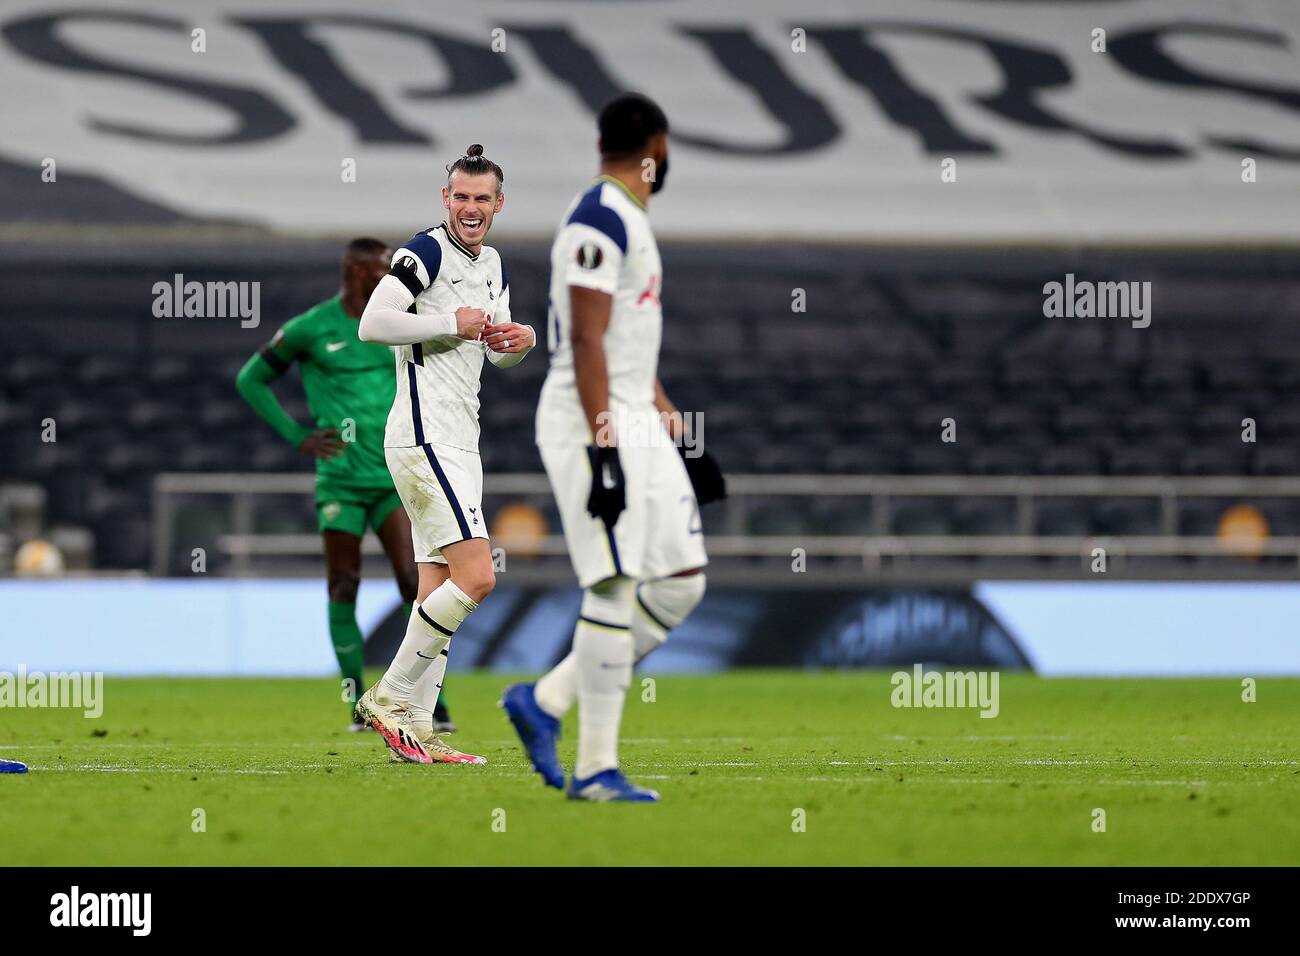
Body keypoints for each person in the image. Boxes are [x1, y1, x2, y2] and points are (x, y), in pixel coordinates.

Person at [502, 95, 726, 801]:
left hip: (630, 414)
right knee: (614, 582)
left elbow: (630, 351)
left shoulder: (629, 220)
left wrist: (680, 437)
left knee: (682, 578)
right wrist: (604, 450)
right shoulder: (598, 219)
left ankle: (544, 702)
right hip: (588, 417)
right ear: (656, 146)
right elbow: (589, 343)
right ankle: (597, 770)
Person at [353, 146, 536, 765]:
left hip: (460, 438)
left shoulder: (493, 263)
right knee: (478, 576)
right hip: (424, 435)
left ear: (498, 204)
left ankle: (419, 729)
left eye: (482, 198)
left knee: (437, 582)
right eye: (461, 196)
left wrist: (521, 341)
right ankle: (390, 695)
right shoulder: (424, 251)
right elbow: (373, 325)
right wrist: (447, 324)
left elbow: (497, 350)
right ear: (445, 199)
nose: (470, 208)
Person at [235, 238, 455, 734]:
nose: (391, 278)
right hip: (340, 482)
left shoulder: (397, 320)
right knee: (344, 584)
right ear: (357, 271)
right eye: (383, 269)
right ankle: (357, 701)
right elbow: (250, 380)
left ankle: (429, 701)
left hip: (392, 476)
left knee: (416, 584)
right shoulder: (311, 329)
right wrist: (297, 436)